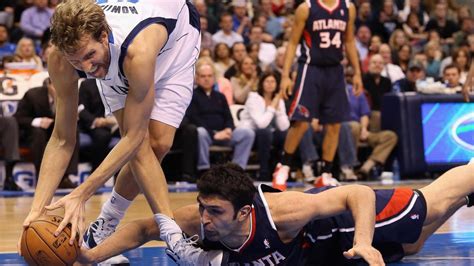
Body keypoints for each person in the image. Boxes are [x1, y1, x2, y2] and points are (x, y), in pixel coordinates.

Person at [19, 1, 201, 264]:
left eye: (89, 55)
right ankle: (159, 235)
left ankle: (114, 222)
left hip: (176, 41)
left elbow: (134, 135)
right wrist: (35, 213)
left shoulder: (137, 51)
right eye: (76, 60)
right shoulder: (60, 58)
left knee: (158, 143)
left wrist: (82, 193)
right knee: (142, 149)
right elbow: (61, 139)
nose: (88, 68)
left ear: (103, 35)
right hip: (122, 51)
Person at [79, 162, 474, 265]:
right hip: (323, 255)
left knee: (434, 202)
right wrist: (90, 256)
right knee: (414, 246)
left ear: (246, 212)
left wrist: (364, 242)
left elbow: (357, 193)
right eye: (203, 209)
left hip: (346, 224)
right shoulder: (200, 218)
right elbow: (143, 228)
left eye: (215, 212)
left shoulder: (283, 211)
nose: (205, 220)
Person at [273, 0, 363, 190]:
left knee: (334, 124)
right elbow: (292, 43)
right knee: (301, 121)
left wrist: (357, 72)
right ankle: (283, 166)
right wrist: (285, 75)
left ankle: (326, 173)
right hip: (310, 69)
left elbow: (349, 41)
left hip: (336, 70)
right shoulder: (305, 8)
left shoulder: (348, 8)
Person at [187, 62, 255, 172]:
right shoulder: (192, 96)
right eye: (203, 76)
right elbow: (195, 119)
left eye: (209, 76)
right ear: (197, 78)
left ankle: (237, 169)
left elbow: (228, 117)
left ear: (214, 78)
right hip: (207, 136)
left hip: (224, 134)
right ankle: (203, 169)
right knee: (200, 131)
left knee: (247, 133)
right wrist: (214, 134)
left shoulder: (220, 96)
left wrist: (228, 129)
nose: (206, 79)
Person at [14, 78, 79, 189]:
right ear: (49, 85)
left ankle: (65, 176)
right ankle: (42, 176)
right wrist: (38, 121)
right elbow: (18, 118)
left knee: (72, 130)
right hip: (32, 130)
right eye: (56, 86)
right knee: (38, 133)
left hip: (55, 129)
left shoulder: (68, 96)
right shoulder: (32, 95)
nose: (59, 89)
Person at [240, 72, 290, 181]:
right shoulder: (253, 98)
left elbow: (284, 126)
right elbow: (261, 124)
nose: (270, 84)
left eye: (273, 82)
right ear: (261, 83)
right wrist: (272, 106)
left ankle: (280, 170)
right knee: (265, 132)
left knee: (284, 135)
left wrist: (279, 110)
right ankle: (264, 172)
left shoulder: (278, 100)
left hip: (268, 135)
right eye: (267, 81)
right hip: (250, 134)